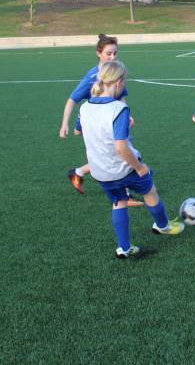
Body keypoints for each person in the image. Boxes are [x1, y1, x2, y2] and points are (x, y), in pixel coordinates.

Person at [79, 60, 184, 258]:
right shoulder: (118, 108)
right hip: (124, 168)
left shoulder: (85, 107)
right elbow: (120, 147)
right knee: (150, 191)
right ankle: (163, 226)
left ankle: (124, 247)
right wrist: (139, 167)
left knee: (119, 202)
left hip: (100, 171)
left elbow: (79, 130)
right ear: (119, 82)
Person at [58, 34, 143, 207]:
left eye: (115, 53)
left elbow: (121, 97)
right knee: (119, 153)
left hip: (113, 119)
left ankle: (78, 172)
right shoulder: (92, 77)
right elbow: (72, 99)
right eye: (108, 54)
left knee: (112, 154)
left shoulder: (116, 72)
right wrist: (65, 123)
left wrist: (127, 114)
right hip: (98, 122)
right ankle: (125, 196)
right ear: (98, 53)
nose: (112, 57)